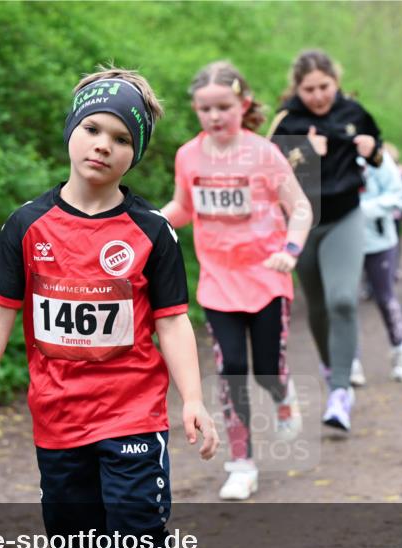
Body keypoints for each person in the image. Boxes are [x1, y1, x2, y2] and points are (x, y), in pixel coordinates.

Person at [0, 67, 219, 548]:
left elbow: (173, 320)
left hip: (132, 413)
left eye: (122, 137)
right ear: (72, 131)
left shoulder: (152, 231)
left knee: (137, 532)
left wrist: (193, 399)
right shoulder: (27, 225)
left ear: (136, 154)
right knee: (80, 547)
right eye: (93, 128)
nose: (104, 144)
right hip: (58, 418)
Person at [161, 61, 312, 501]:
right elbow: (184, 208)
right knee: (230, 373)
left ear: (243, 104)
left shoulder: (264, 153)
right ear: (195, 109)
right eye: (204, 108)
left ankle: (283, 394)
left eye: (223, 106)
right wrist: (146, 224)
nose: (214, 116)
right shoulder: (189, 155)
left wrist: (291, 251)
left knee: (267, 369)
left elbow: (299, 208)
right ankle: (241, 463)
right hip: (218, 284)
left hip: (267, 278)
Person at [266, 49, 383, 432]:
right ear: (297, 88)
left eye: (324, 87)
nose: (317, 96)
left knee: (343, 301)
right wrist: (303, 153)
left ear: (336, 81)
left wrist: (374, 151)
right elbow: (266, 168)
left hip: (345, 216)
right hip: (304, 224)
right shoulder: (288, 120)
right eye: (309, 89)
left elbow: (377, 152)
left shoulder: (354, 112)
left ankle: (339, 392)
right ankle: (333, 364)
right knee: (317, 307)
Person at [351, 145, 402, 383]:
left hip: (379, 242)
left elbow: (398, 194)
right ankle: (351, 361)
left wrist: (360, 211)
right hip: (343, 244)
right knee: (345, 304)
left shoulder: (375, 155)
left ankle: (400, 350)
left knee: (385, 299)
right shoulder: (327, 155)